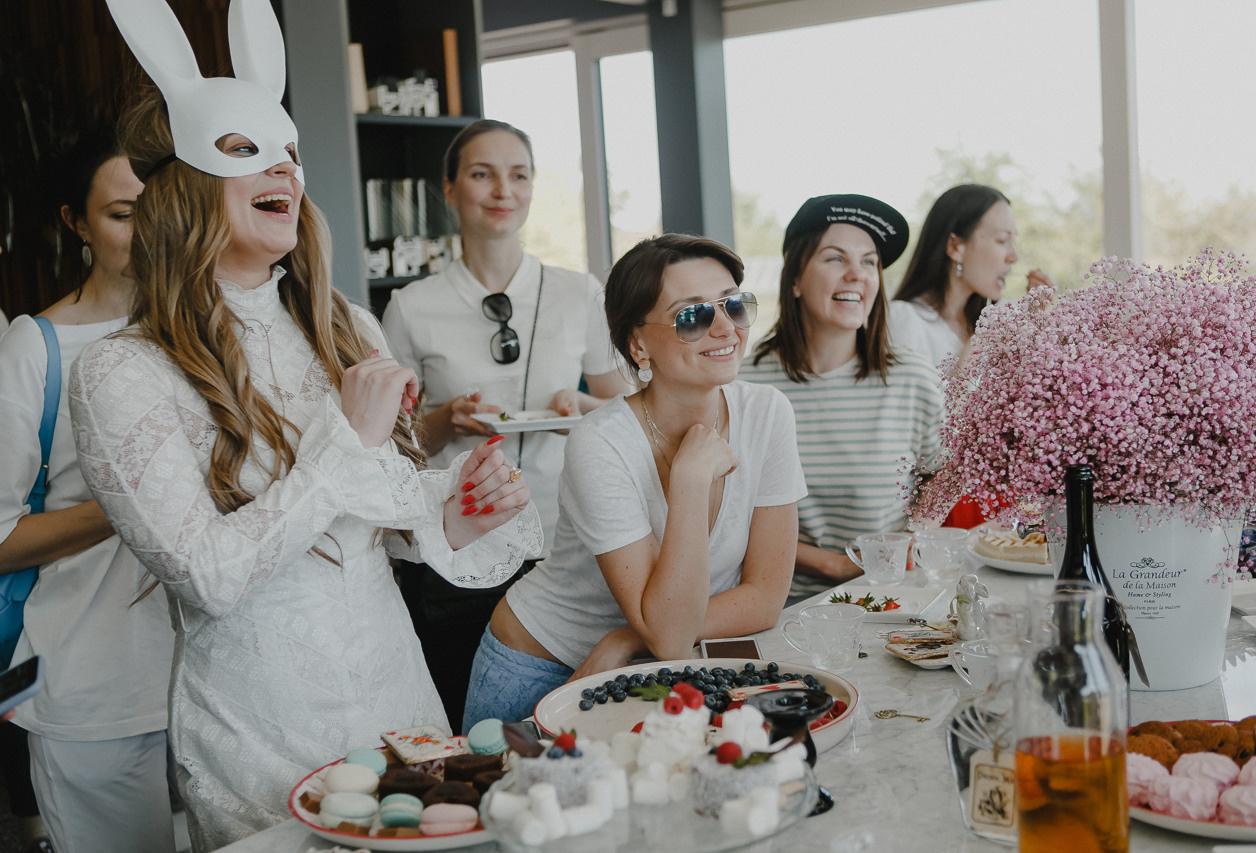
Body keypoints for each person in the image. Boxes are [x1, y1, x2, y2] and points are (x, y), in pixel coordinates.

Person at [72, 2, 540, 848]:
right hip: (260, 727)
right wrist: (344, 444)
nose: (284, 167)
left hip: (398, 699)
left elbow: (378, 520)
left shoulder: (346, 326)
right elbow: (210, 576)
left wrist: (451, 511)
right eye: (247, 150)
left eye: (289, 150)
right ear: (182, 187)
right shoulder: (121, 372)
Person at [463, 234, 805, 731]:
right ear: (638, 344)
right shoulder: (600, 442)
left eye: (734, 305)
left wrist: (628, 636)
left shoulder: (767, 413)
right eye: (692, 316)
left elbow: (765, 598)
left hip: (651, 663)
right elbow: (668, 636)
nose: (726, 328)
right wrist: (689, 480)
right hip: (546, 667)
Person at [381, 119, 629, 730]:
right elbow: (388, 448)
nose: (503, 191)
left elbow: (627, 414)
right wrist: (444, 421)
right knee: (468, 729)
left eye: (518, 175)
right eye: (482, 174)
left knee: (570, 722)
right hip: (455, 548)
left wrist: (578, 411)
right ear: (450, 189)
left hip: (566, 540)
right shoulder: (411, 306)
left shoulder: (578, 293)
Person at [0, 129, 176, 853]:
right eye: (123, 214)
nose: (148, 232)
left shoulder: (207, 329)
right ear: (77, 223)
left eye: (159, 210)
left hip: (221, 676)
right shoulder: (36, 347)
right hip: (95, 684)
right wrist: (128, 507)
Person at [740, 195, 943, 603]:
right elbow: (729, 519)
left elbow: (942, 477)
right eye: (835, 258)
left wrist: (911, 537)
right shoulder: (745, 385)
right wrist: (835, 566)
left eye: (869, 262)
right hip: (781, 608)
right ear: (795, 280)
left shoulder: (912, 377)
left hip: (894, 602)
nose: (857, 274)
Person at [890, 183, 1053, 371]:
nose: (1014, 256)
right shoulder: (903, 320)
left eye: (1013, 241)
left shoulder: (1000, 319)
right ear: (956, 247)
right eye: (1002, 240)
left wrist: (1034, 321)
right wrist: (977, 347)